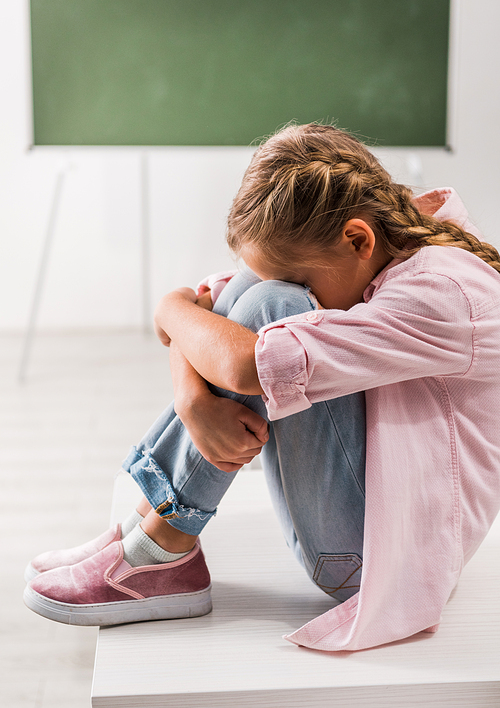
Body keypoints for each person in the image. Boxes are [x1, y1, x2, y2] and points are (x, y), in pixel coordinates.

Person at [23, 123, 500, 651]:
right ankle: (152, 526)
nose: (301, 289)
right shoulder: (385, 229)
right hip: (366, 515)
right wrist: (194, 400)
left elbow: (241, 359)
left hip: (380, 559)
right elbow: (212, 310)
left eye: (308, 279)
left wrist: (168, 309)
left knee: (274, 308)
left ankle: (162, 546)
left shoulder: (443, 298)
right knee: (260, 294)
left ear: (358, 240)